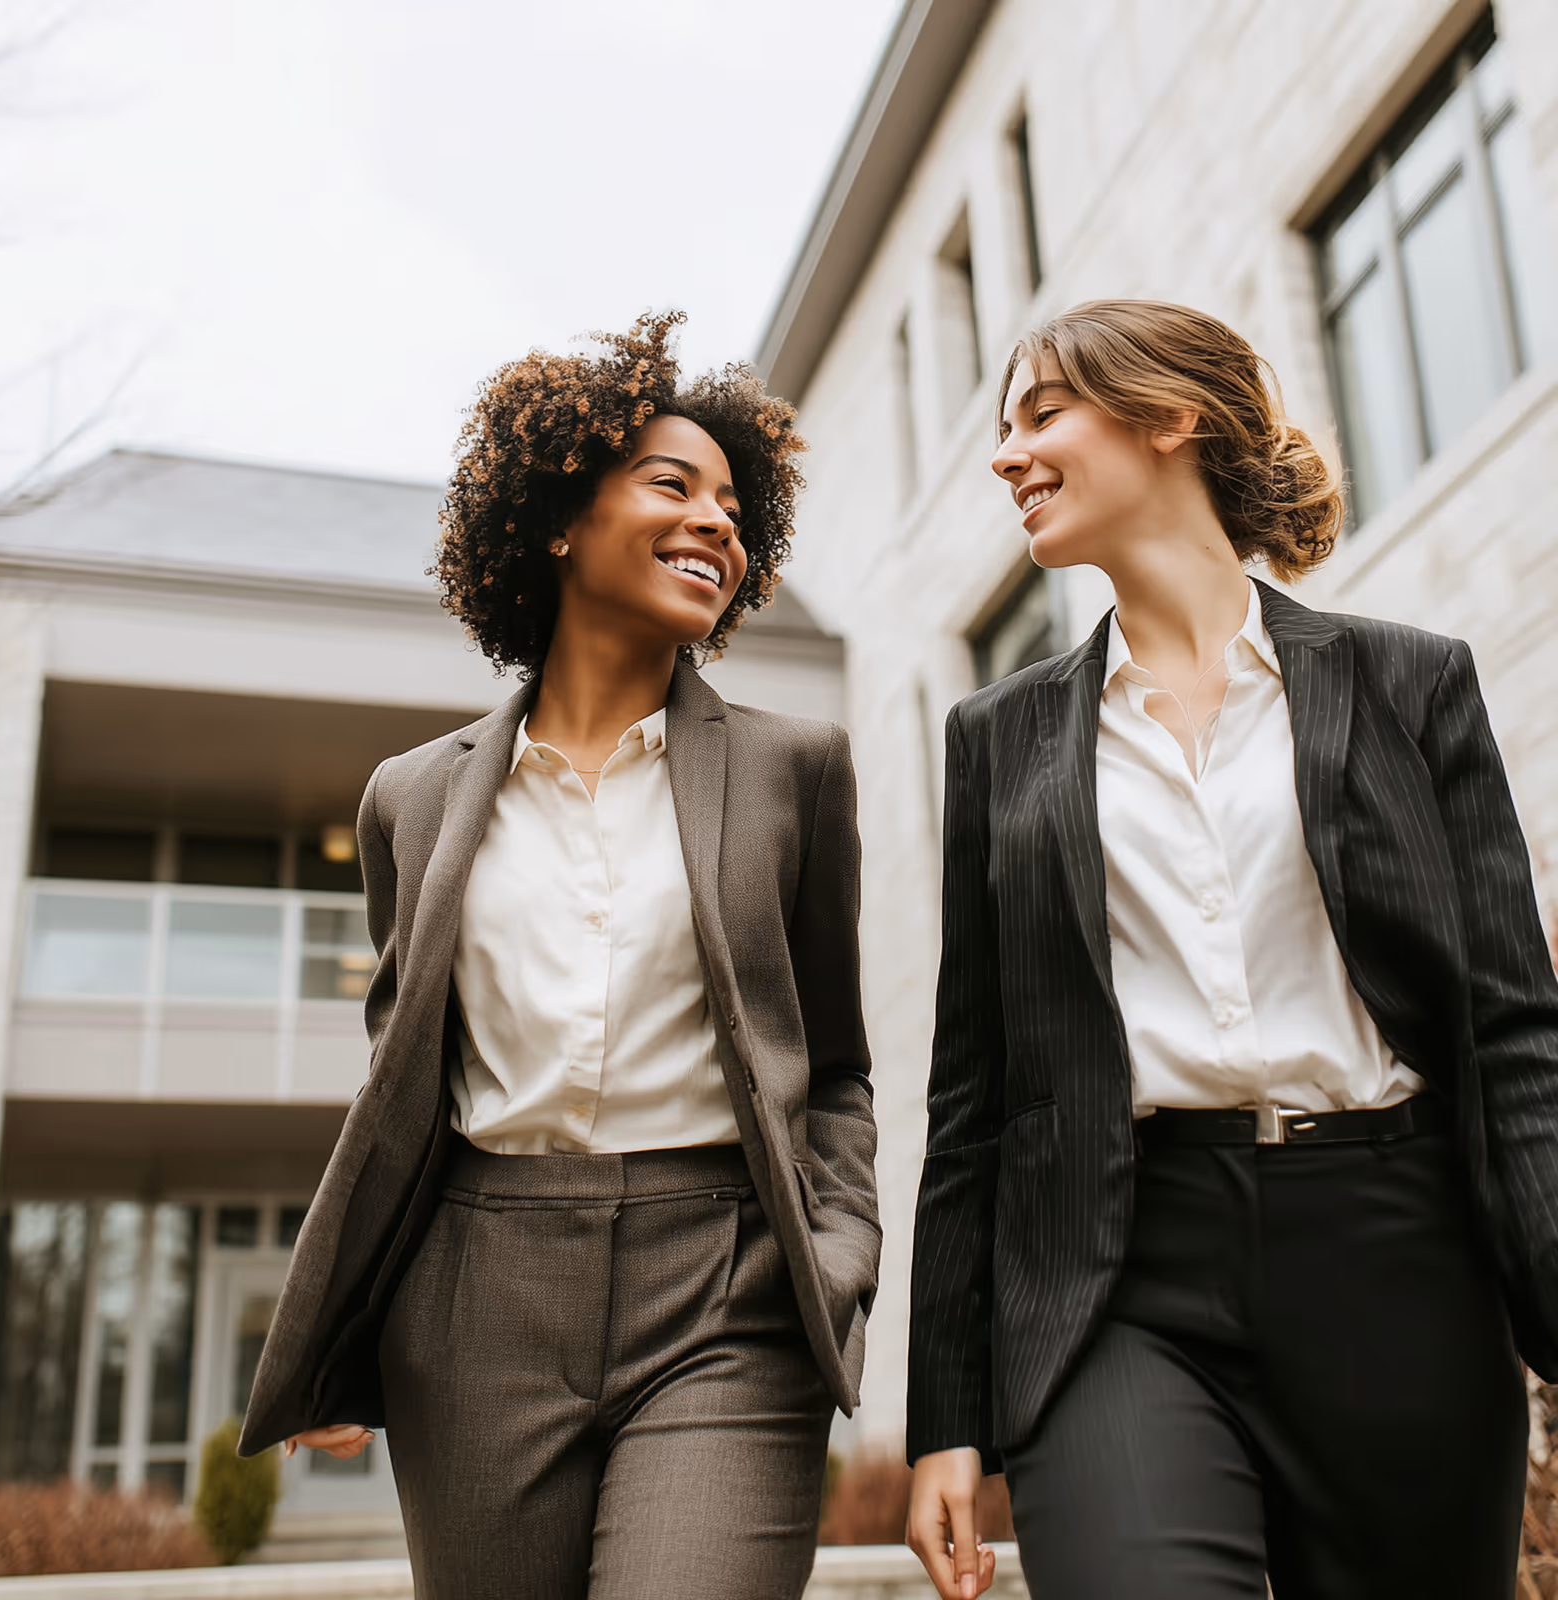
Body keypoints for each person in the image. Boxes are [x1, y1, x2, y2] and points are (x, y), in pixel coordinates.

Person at [905, 298, 1558, 1599]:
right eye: (1002, 429)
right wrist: (945, 1414)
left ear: (1167, 418)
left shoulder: (1409, 683)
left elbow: (1513, 1027)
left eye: (1042, 416)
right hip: (1121, 1275)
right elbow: (976, 1098)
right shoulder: (1003, 740)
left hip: (1397, 1252)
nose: (1004, 457)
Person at [238, 311, 881, 1600]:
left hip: (727, 1287)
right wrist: (350, 1326)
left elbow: (837, 1064)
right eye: (672, 484)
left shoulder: (790, 771)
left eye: (735, 506)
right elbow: (404, 1083)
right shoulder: (409, 799)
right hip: (477, 1296)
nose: (717, 520)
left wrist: (840, 1247)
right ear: (556, 519)